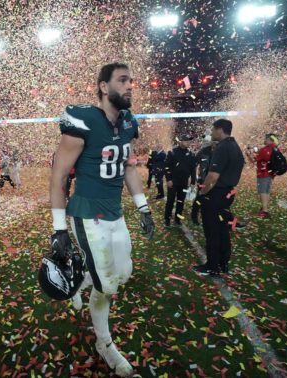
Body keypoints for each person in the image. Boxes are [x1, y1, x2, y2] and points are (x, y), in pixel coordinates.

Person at [49, 62, 155, 377]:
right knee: (108, 284)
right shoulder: (83, 120)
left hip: (115, 212)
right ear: (103, 86)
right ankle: (104, 344)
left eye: (131, 81)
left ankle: (82, 280)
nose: (129, 86)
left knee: (123, 272)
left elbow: (128, 167)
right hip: (87, 213)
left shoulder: (128, 123)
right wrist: (58, 228)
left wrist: (143, 207)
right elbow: (58, 178)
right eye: (122, 80)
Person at [195, 119, 244, 276]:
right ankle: (223, 263)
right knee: (223, 229)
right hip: (227, 193)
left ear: (220, 130)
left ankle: (212, 266)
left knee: (212, 231)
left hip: (216, 194)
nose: (212, 132)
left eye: (213, 129)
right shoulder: (235, 147)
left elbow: (213, 176)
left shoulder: (222, 148)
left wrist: (203, 193)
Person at [164, 135, 196, 226]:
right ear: (180, 141)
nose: (188, 143)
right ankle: (167, 219)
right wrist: (169, 179)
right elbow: (166, 167)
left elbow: (193, 169)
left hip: (184, 182)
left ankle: (178, 219)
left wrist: (193, 182)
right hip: (173, 181)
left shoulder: (191, 154)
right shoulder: (172, 152)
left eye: (189, 141)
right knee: (170, 200)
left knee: (181, 201)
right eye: (186, 141)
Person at [248, 134, 279, 218]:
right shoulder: (275, 148)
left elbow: (254, 159)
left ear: (270, 139)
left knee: (262, 191)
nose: (264, 140)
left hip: (263, 173)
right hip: (270, 173)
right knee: (266, 191)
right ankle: (265, 208)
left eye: (266, 138)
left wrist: (248, 154)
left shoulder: (265, 149)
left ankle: (264, 211)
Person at [191, 137, 217, 225]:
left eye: (217, 142)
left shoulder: (221, 152)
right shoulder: (203, 151)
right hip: (202, 180)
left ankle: (208, 217)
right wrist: (193, 178)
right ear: (211, 142)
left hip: (215, 181)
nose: (215, 143)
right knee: (199, 198)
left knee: (213, 199)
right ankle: (194, 217)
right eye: (214, 141)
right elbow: (194, 164)